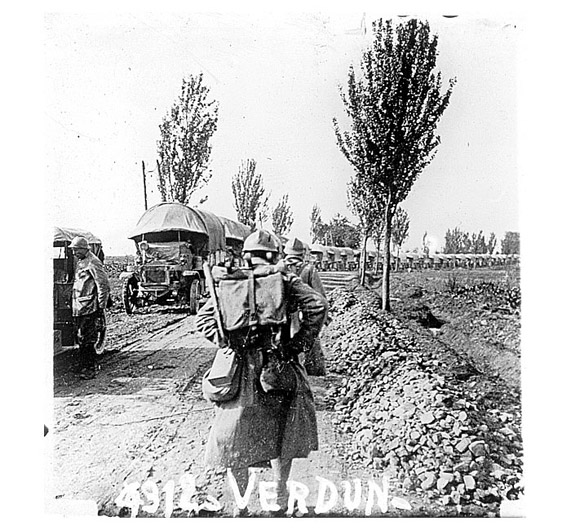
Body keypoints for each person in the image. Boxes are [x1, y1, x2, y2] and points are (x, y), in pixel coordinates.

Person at [196, 229, 327, 517]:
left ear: (245, 255)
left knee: (235, 438)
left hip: (239, 369)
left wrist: (227, 342)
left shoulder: (231, 281)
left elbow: (204, 319)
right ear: (275, 255)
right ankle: (278, 500)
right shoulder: (284, 279)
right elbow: (318, 306)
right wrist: (296, 345)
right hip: (277, 366)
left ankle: (240, 507)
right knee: (283, 433)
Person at [284, 237, 329, 376]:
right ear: (302, 254)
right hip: (305, 312)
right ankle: (313, 370)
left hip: (285, 313)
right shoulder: (309, 269)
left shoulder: (279, 267)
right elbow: (319, 295)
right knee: (309, 339)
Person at [69, 236, 110, 376]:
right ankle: (84, 366)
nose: (74, 253)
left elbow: (103, 285)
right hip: (79, 306)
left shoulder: (93, 262)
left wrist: (101, 306)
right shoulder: (82, 261)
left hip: (88, 307)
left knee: (88, 339)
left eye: (75, 250)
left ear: (83, 249)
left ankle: (90, 368)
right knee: (81, 338)